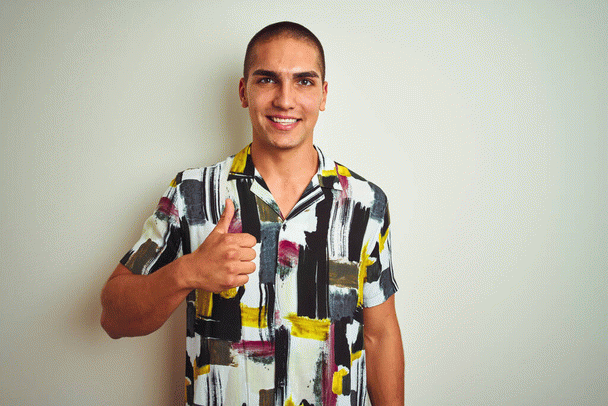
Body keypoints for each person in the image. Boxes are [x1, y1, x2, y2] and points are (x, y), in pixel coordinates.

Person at [101, 21, 404, 406]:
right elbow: (113, 317)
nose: (285, 100)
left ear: (323, 95)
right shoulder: (193, 193)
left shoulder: (365, 202)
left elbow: (380, 336)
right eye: (267, 80)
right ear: (244, 92)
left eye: (304, 81)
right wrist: (188, 271)